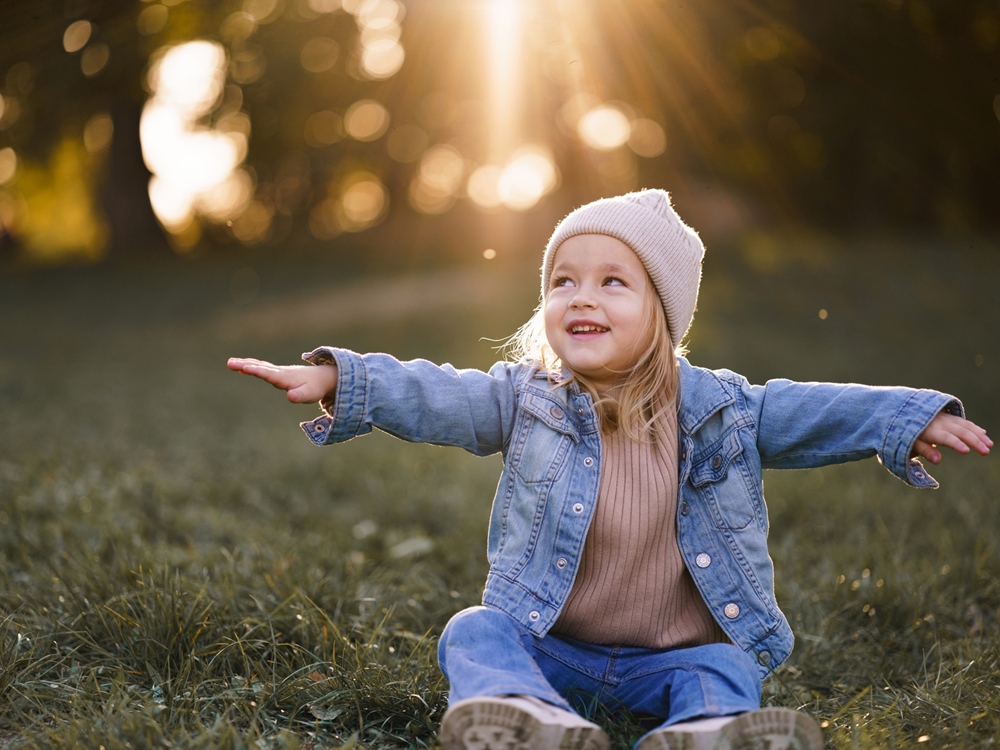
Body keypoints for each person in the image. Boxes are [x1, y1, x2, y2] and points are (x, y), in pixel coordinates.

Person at [228, 190, 991, 750]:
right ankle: (528, 715)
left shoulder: (721, 410)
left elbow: (816, 409)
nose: (579, 297)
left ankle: (709, 730)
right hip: (554, 646)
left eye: (611, 281)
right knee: (474, 630)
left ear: (662, 309)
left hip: (677, 657)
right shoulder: (527, 399)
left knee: (727, 668)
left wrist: (906, 418)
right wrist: (345, 381)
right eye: (562, 281)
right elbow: (441, 394)